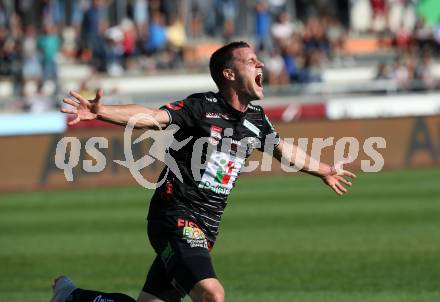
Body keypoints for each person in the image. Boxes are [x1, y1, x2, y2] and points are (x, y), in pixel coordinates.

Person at [53, 41, 356, 302]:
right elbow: (153, 118)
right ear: (230, 74)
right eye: (251, 60)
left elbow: (282, 150)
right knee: (212, 294)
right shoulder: (202, 107)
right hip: (175, 216)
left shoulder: (257, 119)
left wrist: (324, 170)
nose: (260, 63)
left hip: (207, 228)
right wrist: (101, 111)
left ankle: (74, 297)